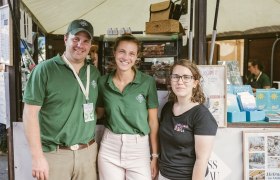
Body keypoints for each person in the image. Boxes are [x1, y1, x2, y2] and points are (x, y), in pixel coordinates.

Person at [22, 19, 100, 180]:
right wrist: (37, 157)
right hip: (55, 154)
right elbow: (30, 115)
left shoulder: (93, 73)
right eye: (76, 39)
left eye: (86, 41)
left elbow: (99, 109)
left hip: (88, 153)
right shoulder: (44, 70)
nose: (80, 45)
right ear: (66, 39)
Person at [97, 34, 159, 180]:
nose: (126, 57)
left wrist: (155, 155)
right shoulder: (102, 82)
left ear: (137, 56)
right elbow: (98, 113)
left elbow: (153, 122)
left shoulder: (148, 82)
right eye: (122, 51)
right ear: (114, 53)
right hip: (109, 147)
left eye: (132, 53)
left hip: (139, 149)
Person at [158, 59, 218, 180]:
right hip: (163, 174)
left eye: (186, 77)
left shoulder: (202, 116)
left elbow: (202, 160)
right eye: (176, 76)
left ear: (195, 83)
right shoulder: (167, 107)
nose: (180, 81)